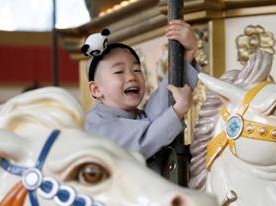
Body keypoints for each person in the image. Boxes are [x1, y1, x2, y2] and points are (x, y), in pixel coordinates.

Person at [83, 20, 199, 172]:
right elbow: (144, 141)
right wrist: (178, 110)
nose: (132, 77)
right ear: (96, 89)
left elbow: (158, 110)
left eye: (137, 70)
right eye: (119, 72)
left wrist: (187, 54)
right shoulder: (96, 126)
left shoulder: (135, 116)